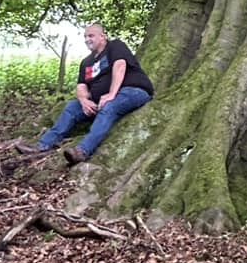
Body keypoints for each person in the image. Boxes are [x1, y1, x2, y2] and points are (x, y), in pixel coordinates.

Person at [16, 22, 153, 164]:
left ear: (102, 36)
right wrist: (84, 101)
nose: (87, 39)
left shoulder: (115, 46)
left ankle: (82, 151)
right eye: (85, 37)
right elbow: (81, 86)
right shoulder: (86, 62)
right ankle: (42, 145)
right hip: (100, 100)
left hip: (133, 91)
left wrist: (112, 94)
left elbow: (120, 66)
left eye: (91, 36)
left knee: (109, 106)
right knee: (71, 107)